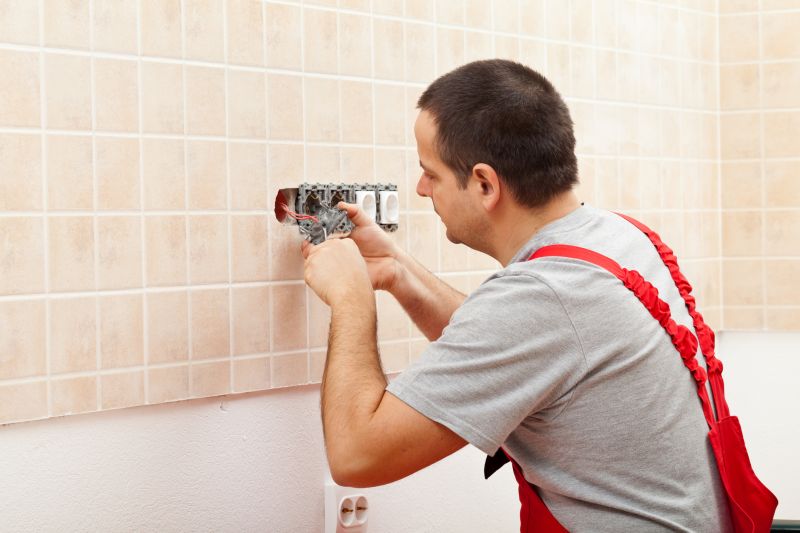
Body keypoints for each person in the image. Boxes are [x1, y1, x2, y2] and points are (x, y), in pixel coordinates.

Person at [301, 59, 731, 531]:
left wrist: (351, 298)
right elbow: (519, 348)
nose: (421, 189)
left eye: (431, 173)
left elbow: (357, 456)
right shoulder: (615, 238)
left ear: (485, 184)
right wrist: (399, 273)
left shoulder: (543, 296)